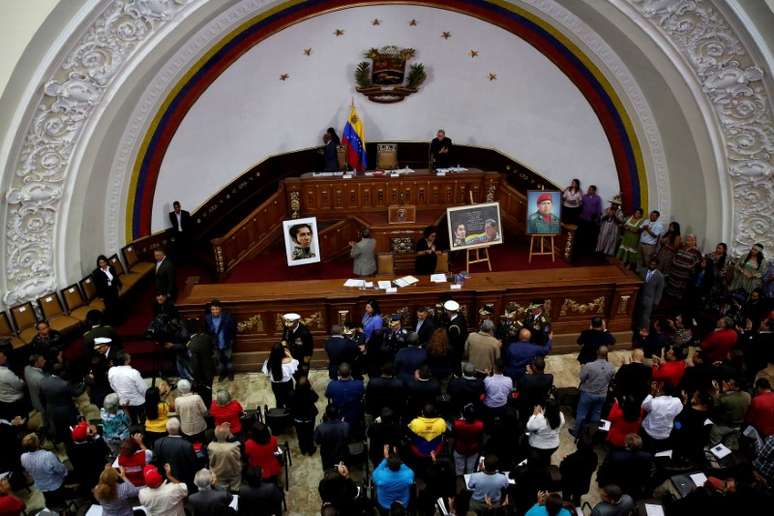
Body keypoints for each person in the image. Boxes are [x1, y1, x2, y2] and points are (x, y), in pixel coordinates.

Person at [597, 433, 655, 500]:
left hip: (616, 484)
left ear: (626, 444)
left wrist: (601, 482)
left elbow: (605, 470)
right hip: (634, 485)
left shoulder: (615, 456)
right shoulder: (647, 456)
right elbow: (647, 472)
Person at [573, 346, 615, 437]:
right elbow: (611, 378)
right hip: (602, 395)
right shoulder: (611, 367)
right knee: (596, 414)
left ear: (597, 353)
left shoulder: (589, 366)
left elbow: (582, 378)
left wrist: (582, 368)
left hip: (588, 394)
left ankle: (576, 433)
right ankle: (591, 435)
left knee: (581, 414)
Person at [20, 433, 68, 507]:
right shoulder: (47, 455)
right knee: (60, 503)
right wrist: (65, 472)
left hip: (41, 485)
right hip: (55, 485)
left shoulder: (23, 457)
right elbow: (60, 469)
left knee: (51, 503)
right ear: (37, 444)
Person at [39, 362, 82, 442]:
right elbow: (76, 393)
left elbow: (41, 398)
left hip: (51, 409)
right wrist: (84, 384)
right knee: (71, 427)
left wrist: (46, 408)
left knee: (57, 427)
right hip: (66, 411)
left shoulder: (43, 382)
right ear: (61, 372)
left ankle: (60, 440)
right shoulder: (64, 384)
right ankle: (73, 439)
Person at [68, 419, 110, 491]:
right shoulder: (94, 447)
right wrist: (96, 435)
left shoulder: (70, 449)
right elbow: (106, 450)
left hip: (85, 478)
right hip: (99, 474)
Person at [641, 381, 683, 452]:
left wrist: (651, 393)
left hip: (649, 433)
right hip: (665, 435)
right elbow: (678, 414)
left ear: (660, 389)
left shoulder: (654, 402)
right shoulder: (677, 401)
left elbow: (644, 405)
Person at [559, 428, 598, 506]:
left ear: (579, 445)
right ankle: (576, 508)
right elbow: (593, 468)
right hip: (582, 485)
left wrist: (564, 461)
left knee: (566, 498)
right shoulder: (594, 457)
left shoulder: (571, 458)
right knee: (577, 498)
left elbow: (562, 470)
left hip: (569, 484)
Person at [326, 362, 365, 436]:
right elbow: (361, 396)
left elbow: (328, 396)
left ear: (338, 373)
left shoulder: (332, 385)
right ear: (350, 372)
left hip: (337, 415)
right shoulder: (359, 384)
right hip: (355, 415)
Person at [373, 445, 415, 513]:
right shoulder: (409, 474)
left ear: (388, 465)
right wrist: (397, 458)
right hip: (403, 504)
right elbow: (407, 468)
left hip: (384, 503)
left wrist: (386, 459)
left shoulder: (380, 476)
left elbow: (375, 472)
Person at [108, 352, 147, 424]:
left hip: (123, 402)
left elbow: (112, 386)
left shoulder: (111, 371)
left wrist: (121, 394)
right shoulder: (133, 372)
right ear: (127, 361)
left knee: (130, 422)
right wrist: (146, 397)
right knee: (142, 422)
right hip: (137, 403)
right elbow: (143, 388)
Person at [527, 400, 565, 468]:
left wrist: (534, 414)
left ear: (546, 409)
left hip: (538, 447)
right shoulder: (561, 415)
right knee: (546, 458)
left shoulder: (540, 418)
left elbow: (529, 426)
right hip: (553, 446)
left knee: (535, 463)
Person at [205, 299, 236, 382]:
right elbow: (206, 331)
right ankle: (222, 374)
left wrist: (231, 339)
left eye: (216, 309)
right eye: (212, 309)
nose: (214, 311)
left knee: (229, 360)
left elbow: (233, 329)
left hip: (226, 342)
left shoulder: (227, 317)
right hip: (215, 344)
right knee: (219, 361)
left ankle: (230, 374)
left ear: (220, 309)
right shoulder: (207, 318)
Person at [287, 375, 319, 455]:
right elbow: (316, 397)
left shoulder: (292, 394)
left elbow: (289, 405)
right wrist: (311, 389)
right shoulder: (310, 394)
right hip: (309, 419)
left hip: (298, 420)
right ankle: (310, 449)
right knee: (310, 434)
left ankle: (303, 450)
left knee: (300, 435)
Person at [665, 233, 703, 300]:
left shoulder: (696, 252)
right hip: (674, 273)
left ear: (694, 241)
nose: (687, 241)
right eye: (687, 239)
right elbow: (674, 257)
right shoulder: (681, 248)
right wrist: (675, 263)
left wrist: (685, 267)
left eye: (690, 240)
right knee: (669, 295)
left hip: (683, 276)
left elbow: (695, 265)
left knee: (678, 296)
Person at [262, 343, 298, 408]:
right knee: (289, 401)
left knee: (278, 400)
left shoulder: (269, 362)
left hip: (275, 386)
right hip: (287, 385)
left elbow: (267, 373)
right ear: (282, 352)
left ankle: (280, 413)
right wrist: (289, 354)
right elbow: (295, 365)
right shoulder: (289, 362)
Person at [314, 405, 350, 470]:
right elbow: (348, 439)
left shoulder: (320, 428)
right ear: (338, 413)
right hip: (342, 454)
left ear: (326, 415)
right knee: (343, 471)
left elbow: (317, 442)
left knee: (328, 471)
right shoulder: (346, 425)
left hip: (327, 456)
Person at [452, 404, 485, 474]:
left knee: (459, 470)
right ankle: (468, 483)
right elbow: (481, 438)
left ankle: (460, 481)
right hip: (473, 449)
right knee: (470, 469)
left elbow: (453, 435)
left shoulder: (457, 424)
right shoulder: (480, 425)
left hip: (460, 448)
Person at [207, 423, 241, 491]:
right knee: (235, 490)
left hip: (219, 473)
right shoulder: (234, 446)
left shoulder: (211, 446)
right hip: (233, 473)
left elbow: (211, 461)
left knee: (222, 491)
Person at [635, 258, 664, 331]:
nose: (652, 265)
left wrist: (656, 302)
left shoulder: (660, 276)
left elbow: (659, 291)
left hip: (649, 300)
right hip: (640, 297)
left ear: (657, 265)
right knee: (638, 314)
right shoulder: (642, 271)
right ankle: (638, 329)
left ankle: (645, 331)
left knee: (645, 317)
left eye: (654, 264)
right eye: (651, 263)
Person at [93, 254, 123, 323]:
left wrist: (119, 285)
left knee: (116, 305)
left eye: (103, 262)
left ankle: (119, 319)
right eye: (100, 263)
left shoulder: (111, 268)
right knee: (110, 307)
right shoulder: (97, 273)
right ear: (98, 264)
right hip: (105, 293)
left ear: (106, 262)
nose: (102, 264)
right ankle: (113, 321)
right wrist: (100, 296)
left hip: (113, 290)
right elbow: (97, 285)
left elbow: (116, 277)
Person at [577, 185, 603, 256]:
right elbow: (580, 205)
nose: (589, 190)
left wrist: (598, 218)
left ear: (594, 191)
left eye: (591, 190)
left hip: (591, 219)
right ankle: (580, 248)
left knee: (589, 234)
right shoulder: (584, 196)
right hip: (583, 218)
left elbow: (599, 209)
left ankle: (587, 249)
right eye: (589, 189)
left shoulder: (598, 198)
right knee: (581, 233)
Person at [0, 349, 25, 420]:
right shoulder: (6, 373)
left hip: (4, 400)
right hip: (15, 402)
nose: (5, 357)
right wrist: (22, 381)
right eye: (2, 357)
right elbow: (19, 386)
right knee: (22, 420)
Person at [444, 300, 468, 369]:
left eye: (446, 311)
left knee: (455, 365)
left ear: (449, 312)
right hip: (460, 347)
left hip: (456, 351)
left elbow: (453, 341)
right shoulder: (460, 316)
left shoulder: (454, 326)